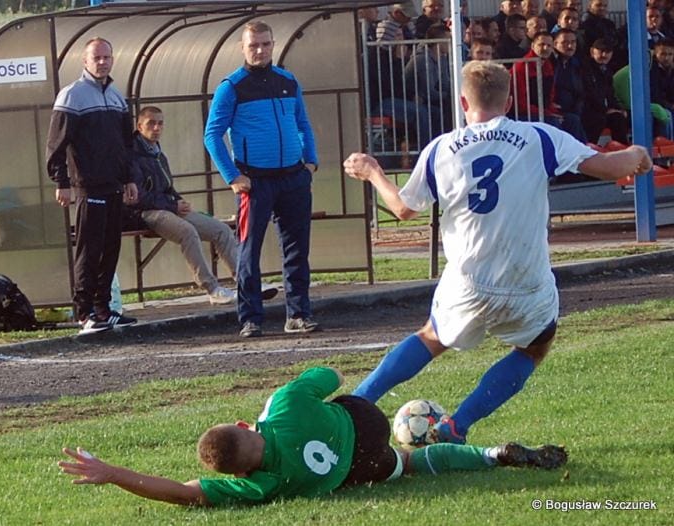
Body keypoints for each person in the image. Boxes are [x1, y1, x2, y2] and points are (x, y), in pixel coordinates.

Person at [342, 61, 652, 445]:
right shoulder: (540, 137)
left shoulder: (442, 148)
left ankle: (354, 405)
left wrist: (374, 172)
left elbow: (404, 209)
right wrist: (638, 153)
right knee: (535, 348)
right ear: (508, 102)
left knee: (430, 339)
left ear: (462, 101)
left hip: (469, 279)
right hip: (526, 279)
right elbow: (610, 167)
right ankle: (456, 427)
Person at [58, 367, 569, 506]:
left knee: (407, 465)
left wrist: (113, 474)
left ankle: (488, 453)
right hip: (361, 421)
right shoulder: (282, 405)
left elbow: (181, 493)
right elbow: (329, 376)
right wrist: (283, 400)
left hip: (355, 472)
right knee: (360, 411)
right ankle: (486, 450)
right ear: (243, 427)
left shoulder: (260, 486)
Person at [204, 22, 319, 338]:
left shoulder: (288, 80)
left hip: (293, 178)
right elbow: (212, 135)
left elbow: (303, 124)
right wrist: (233, 176)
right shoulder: (232, 86)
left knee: (297, 250)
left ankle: (298, 313)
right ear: (243, 47)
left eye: (266, 44)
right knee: (249, 251)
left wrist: (310, 163)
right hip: (255, 182)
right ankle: (251, 318)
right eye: (254, 45)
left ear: (273, 45)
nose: (260, 50)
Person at [126, 106, 278, 305]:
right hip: (146, 213)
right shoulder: (132, 155)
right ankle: (212, 289)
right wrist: (173, 206)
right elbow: (138, 196)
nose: (156, 128)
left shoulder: (158, 154)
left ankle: (247, 282)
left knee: (222, 230)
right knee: (187, 232)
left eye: (160, 123)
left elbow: (166, 187)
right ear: (139, 126)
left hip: (168, 207)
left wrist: (179, 202)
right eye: (151, 123)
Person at [46, 37, 138, 335]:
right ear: (85, 61)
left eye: (106, 57)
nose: (102, 62)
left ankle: (103, 309)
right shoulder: (72, 95)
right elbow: (56, 144)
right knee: (90, 250)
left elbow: (127, 144)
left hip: (114, 186)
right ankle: (84, 312)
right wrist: (62, 182)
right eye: (96, 57)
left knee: (111, 248)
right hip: (88, 187)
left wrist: (130, 179)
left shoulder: (115, 95)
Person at [581, 38, 629, 144]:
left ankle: (623, 151)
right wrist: (605, 110)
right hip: (589, 111)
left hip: (603, 111)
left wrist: (618, 108)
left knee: (619, 118)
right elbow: (588, 94)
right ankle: (590, 150)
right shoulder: (585, 68)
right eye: (601, 51)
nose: (604, 55)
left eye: (608, 52)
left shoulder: (607, 71)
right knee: (597, 120)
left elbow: (610, 94)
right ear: (592, 51)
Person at [551, 28, 588, 141]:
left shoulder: (577, 64)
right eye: (565, 42)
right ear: (555, 44)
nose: (570, 46)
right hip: (555, 110)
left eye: (573, 42)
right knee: (573, 120)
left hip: (573, 108)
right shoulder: (550, 63)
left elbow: (581, 91)